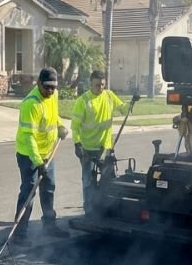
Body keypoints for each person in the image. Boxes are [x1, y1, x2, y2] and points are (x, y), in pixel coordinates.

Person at [71, 70, 138, 216]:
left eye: (102, 85)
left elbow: (123, 109)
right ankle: (89, 209)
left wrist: (131, 102)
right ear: (90, 84)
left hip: (105, 147)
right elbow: (75, 126)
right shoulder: (83, 101)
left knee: (107, 178)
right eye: (96, 85)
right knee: (88, 180)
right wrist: (77, 144)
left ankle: (102, 206)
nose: (100, 88)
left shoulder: (109, 96)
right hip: (87, 148)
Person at [14, 67, 70, 240]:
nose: (50, 91)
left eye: (53, 87)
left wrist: (60, 125)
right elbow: (29, 136)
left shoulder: (53, 96)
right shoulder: (31, 104)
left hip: (48, 152)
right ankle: (19, 233)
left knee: (49, 189)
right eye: (47, 87)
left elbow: (53, 116)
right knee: (29, 193)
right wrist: (38, 161)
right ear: (38, 83)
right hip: (28, 155)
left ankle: (49, 226)